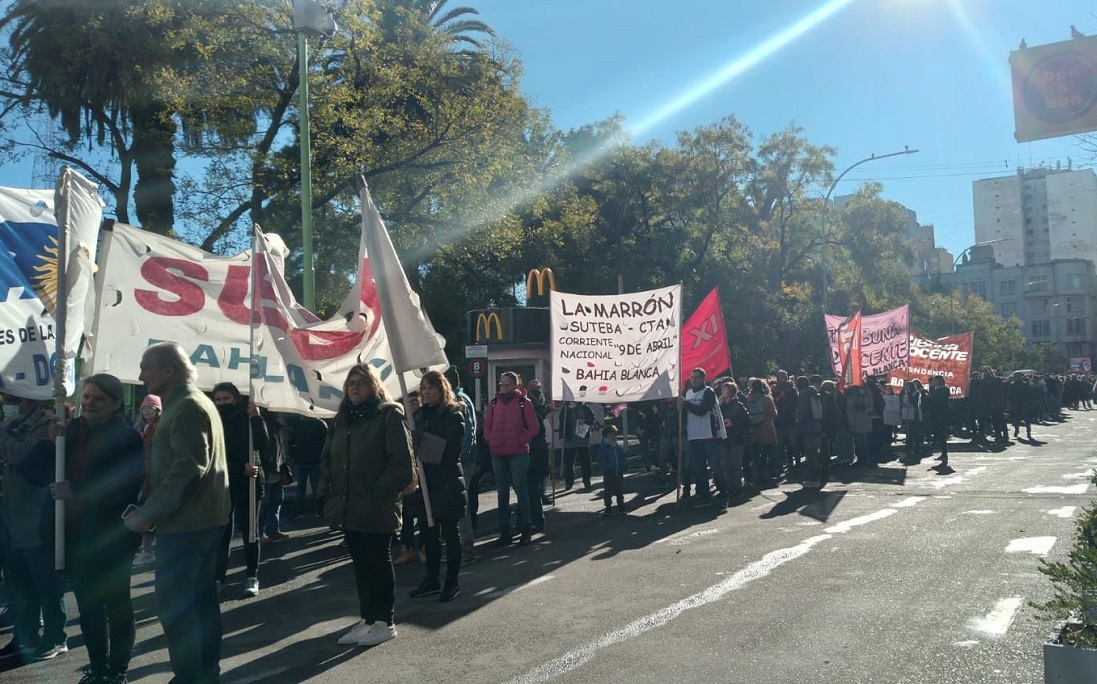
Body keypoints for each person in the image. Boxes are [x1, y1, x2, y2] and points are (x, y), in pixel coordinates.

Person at [124, 342, 230, 684]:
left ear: (168, 371)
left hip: (187, 525)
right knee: (200, 605)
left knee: (177, 609)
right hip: (199, 521)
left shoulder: (185, 406)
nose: (141, 376)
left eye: (146, 367)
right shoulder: (192, 402)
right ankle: (202, 674)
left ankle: (190, 676)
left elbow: (189, 468)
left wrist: (147, 514)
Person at [44, 374, 144, 683]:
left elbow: (123, 485)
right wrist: (53, 442)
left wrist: (76, 491)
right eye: (86, 397)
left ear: (115, 403)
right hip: (77, 534)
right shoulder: (73, 430)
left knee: (116, 606)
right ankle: (98, 669)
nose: (89, 403)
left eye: (98, 399)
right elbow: (48, 473)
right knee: (88, 607)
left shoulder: (128, 438)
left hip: (113, 536)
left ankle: (118, 671)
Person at [319, 364, 414, 648]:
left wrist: (378, 492)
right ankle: (368, 618)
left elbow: (401, 464)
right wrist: (327, 491)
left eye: (361, 382)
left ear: (373, 385)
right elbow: (327, 458)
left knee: (378, 563)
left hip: (376, 505)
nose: (355, 387)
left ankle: (385, 621)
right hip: (348, 506)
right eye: (351, 383)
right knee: (361, 566)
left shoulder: (388, 415)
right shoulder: (342, 420)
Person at [0, 393, 64, 663]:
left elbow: (19, 454)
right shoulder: (12, 421)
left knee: (45, 581)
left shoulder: (47, 423)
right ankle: (25, 637)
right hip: (10, 513)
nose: (8, 396)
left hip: (35, 515)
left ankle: (55, 637)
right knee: (19, 583)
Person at [406, 371, 467, 602]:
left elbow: (449, 451)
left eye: (430, 388)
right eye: (423, 389)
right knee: (428, 533)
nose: (426, 392)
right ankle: (432, 578)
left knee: (450, 533)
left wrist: (420, 440)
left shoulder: (452, 415)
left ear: (441, 390)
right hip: (426, 484)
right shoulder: (420, 416)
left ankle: (452, 580)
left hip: (446, 481)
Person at [211, 382, 269, 598]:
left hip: (250, 483)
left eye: (225, 398)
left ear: (235, 398)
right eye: (218, 399)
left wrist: (257, 418)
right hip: (224, 483)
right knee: (222, 534)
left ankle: (251, 576)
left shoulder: (247, 417)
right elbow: (213, 454)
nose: (221, 403)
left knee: (250, 533)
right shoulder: (213, 421)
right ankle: (218, 578)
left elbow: (263, 443)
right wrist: (238, 467)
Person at [483, 372, 539, 547]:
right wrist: (490, 440)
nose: (504, 387)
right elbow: (487, 425)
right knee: (502, 493)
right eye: (502, 384)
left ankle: (525, 528)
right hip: (498, 452)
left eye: (507, 384)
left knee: (521, 490)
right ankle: (504, 530)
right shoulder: (494, 403)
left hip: (518, 453)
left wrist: (521, 441)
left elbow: (534, 428)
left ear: (515, 385)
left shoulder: (524, 403)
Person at [444, 366, 479, 565]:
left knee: (459, 504)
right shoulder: (460, 398)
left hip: (461, 459)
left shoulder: (460, 401)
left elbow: (468, 433)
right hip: (460, 457)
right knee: (454, 503)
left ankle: (466, 550)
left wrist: (457, 456)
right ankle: (457, 548)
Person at [680, 367, 724, 506]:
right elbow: (686, 415)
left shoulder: (708, 392)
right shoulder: (688, 393)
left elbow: (702, 410)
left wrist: (686, 405)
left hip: (708, 436)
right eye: (692, 377)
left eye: (696, 377)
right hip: (694, 436)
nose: (693, 380)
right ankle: (705, 497)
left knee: (716, 468)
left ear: (703, 378)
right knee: (699, 470)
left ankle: (724, 495)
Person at [133, 395, 162, 567]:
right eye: (144, 409)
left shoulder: (160, 427)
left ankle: (150, 549)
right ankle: (147, 549)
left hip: (156, 474)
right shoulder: (138, 427)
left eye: (150, 408)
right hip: (141, 474)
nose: (146, 412)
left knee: (152, 511)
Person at [285, 413, 328, 518]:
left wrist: (293, 455)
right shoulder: (320, 424)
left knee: (300, 487)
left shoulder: (297, 424)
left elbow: (290, 442)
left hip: (300, 460)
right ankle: (319, 509)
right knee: (316, 487)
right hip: (315, 460)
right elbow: (327, 442)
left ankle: (299, 510)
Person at [258, 411, 289, 543]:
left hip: (276, 470)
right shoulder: (264, 428)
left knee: (276, 502)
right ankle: (260, 532)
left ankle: (273, 530)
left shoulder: (276, 430)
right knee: (264, 504)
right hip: (268, 470)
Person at [557, 400, 595, 490]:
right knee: (569, 462)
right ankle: (569, 482)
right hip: (570, 439)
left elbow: (592, 417)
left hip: (582, 438)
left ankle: (587, 481)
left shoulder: (584, 406)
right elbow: (561, 424)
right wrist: (561, 436)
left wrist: (585, 420)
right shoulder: (565, 408)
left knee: (585, 462)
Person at [795, 376, 824, 488]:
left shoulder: (804, 395)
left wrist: (798, 420)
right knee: (814, 453)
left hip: (807, 427)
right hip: (816, 426)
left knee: (810, 454)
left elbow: (803, 411)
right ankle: (817, 478)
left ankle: (813, 478)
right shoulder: (815, 393)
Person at [596, 425, 627, 515]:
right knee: (608, 492)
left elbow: (623, 458)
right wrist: (607, 467)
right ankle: (608, 508)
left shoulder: (618, 447)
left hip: (618, 473)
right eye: (610, 435)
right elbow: (601, 460)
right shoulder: (604, 448)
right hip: (609, 474)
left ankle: (621, 507)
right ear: (606, 436)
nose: (613, 437)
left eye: (614, 435)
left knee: (620, 491)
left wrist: (624, 465)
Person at [927, 375, 952, 468]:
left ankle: (944, 454)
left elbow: (937, 403)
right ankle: (943, 453)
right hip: (940, 415)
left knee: (941, 435)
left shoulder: (941, 390)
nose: (933, 382)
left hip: (940, 415)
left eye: (934, 380)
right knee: (939, 435)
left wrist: (930, 397)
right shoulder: (940, 389)